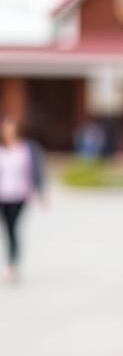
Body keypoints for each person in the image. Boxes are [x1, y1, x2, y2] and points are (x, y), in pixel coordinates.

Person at [0, 116, 46, 283]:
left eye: (10, 128)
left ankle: (13, 265)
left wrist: (41, 192)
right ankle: (11, 264)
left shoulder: (28, 148)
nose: (7, 132)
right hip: (2, 195)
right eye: (5, 129)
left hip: (20, 195)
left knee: (13, 228)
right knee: (7, 229)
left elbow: (37, 171)